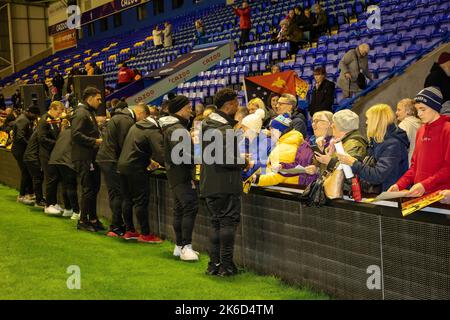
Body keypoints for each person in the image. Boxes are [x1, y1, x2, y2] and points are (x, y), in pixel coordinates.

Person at [200, 88, 247, 277]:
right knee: (227, 223)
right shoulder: (225, 130)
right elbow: (226, 159)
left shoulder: (206, 124)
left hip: (209, 183)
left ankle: (214, 264)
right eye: (236, 103)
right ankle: (226, 266)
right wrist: (244, 161)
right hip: (225, 184)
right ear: (229, 106)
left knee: (215, 223)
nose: (238, 106)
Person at [96, 103, 150, 237]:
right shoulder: (126, 120)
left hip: (106, 158)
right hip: (111, 160)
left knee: (116, 194)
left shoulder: (120, 117)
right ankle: (116, 227)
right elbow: (126, 145)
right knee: (119, 194)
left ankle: (118, 225)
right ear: (141, 113)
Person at [388, 87, 450, 196]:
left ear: (435, 107)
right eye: (417, 110)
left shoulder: (447, 130)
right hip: (420, 195)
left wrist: (424, 185)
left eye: (423, 109)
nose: (419, 114)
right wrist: (399, 185)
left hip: (440, 197)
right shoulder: (421, 130)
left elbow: (448, 168)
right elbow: (414, 166)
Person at [159, 95, 199, 261]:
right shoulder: (178, 129)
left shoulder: (173, 127)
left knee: (180, 209)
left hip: (174, 174)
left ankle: (179, 245)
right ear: (180, 109)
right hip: (181, 175)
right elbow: (183, 155)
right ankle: (185, 246)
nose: (191, 111)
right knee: (189, 207)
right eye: (188, 108)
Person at [117, 106, 165, 243]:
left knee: (127, 199)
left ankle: (130, 231)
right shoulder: (152, 130)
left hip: (123, 165)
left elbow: (135, 147)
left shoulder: (135, 126)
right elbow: (161, 153)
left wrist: (149, 160)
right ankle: (145, 234)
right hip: (136, 168)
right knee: (140, 201)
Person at [337, 104, 409, 192]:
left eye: (368, 119)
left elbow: (378, 175)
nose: (366, 122)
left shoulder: (393, 145)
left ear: (376, 121)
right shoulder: (377, 141)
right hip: (381, 195)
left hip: (389, 197)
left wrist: (353, 163)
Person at [71, 87, 104, 232]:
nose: (100, 101)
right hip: (84, 157)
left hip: (90, 156)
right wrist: (94, 141)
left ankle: (93, 218)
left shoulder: (88, 112)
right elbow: (75, 135)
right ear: (89, 98)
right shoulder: (81, 113)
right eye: (98, 98)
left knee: (94, 188)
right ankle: (83, 220)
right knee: (88, 189)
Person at [253, 114, 304, 186]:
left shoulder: (285, 148)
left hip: (285, 189)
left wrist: (257, 179)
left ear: (280, 130)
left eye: (272, 129)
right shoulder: (288, 142)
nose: (270, 132)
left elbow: (279, 176)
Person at [313, 109, 367, 174]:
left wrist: (330, 161)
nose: (331, 127)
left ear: (341, 127)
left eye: (334, 126)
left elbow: (349, 172)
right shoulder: (341, 142)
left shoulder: (354, 144)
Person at [36, 101, 65, 215]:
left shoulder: (56, 120)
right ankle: (48, 205)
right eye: (59, 110)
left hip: (53, 154)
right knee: (51, 179)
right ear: (53, 108)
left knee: (55, 178)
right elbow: (42, 138)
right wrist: (57, 143)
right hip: (46, 154)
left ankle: (54, 203)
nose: (61, 113)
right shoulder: (43, 120)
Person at [48, 118, 80, 220]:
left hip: (56, 160)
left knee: (65, 185)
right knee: (70, 185)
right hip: (66, 160)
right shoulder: (76, 133)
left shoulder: (65, 131)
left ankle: (68, 209)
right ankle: (76, 211)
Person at [11, 105, 40, 205]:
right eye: (35, 115)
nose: (36, 117)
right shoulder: (23, 120)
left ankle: (30, 194)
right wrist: (30, 145)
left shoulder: (25, 119)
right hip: (20, 150)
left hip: (21, 150)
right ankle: (22, 195)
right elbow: (20, 137)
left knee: (27, 172)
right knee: (25, 172)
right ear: (30, 113)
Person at [304, 111, 333, 176]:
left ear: (330, 124)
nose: (313, 124)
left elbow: (335, 168)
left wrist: (317, 169)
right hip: (302, 182)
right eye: (313, 121)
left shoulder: (334, 143)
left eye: (317, 121)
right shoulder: (306, 141)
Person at [395, 98, 422, 165]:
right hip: (420, 162)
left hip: (409, 164)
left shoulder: (404, 125)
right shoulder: (421, 124)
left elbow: (398, 149)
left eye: (399, 110)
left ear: (408, 111)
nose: (396, 112)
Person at [23, 130, 45, 208]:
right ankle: (39, 201)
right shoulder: (41, 132)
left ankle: (39, 198)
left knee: (37, 178)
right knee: (38, 178)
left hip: (30, 157)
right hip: (32, 158)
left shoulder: (37, 131)